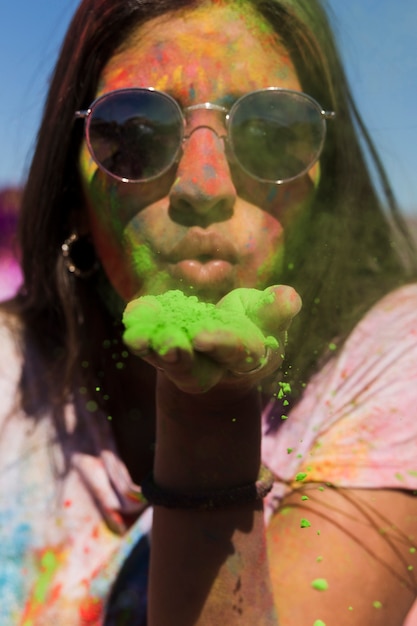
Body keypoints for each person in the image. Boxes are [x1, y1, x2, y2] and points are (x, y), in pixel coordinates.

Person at [1, 0, 416, 624]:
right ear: (70, 184)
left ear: (326, 180)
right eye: (134, 131)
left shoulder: (395, 364)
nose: (204, 186)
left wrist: (208, 421)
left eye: (273, 130)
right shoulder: (13, 376)